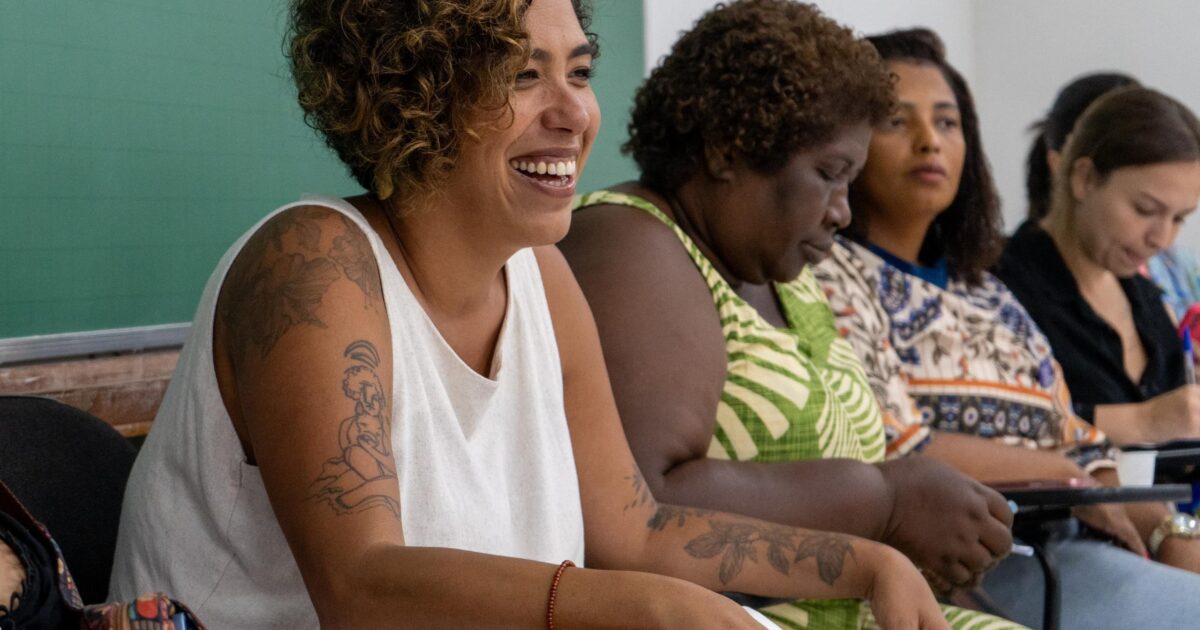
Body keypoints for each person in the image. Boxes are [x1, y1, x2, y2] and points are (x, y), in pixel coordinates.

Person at [107, 1, 947, 628]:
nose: (574, 113)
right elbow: (360, 587)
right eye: (521, 74)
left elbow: (635, 528)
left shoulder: (541, 273)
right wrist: (639, 608)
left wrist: (864, 564)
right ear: (415, 98)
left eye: (577, 71)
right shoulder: (315, 267)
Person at [559, 4, 1019, 628]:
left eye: (850, 182)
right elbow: (638, 506)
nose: (843, 212)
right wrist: (885, 499)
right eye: (830, 175)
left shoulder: (783, 274)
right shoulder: (630, 242)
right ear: (726, 150)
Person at [811, 28, 1200, 629]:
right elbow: (894, 443)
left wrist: (1169, 529)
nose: (928, 143)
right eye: (896, 121)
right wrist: (1063, 469)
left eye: (947, 123)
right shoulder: (829, 272)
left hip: (1068, 546)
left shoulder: (984, 289)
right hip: (971, 561)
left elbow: (1080, 438)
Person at [1010, 73, 1200, 445]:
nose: (1161, 239)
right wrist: (1143, 422)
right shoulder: (1001, 287)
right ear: (1084, 179)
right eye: (1145, 209)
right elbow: (998, 423)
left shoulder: (1145, 298)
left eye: (1179, 219)